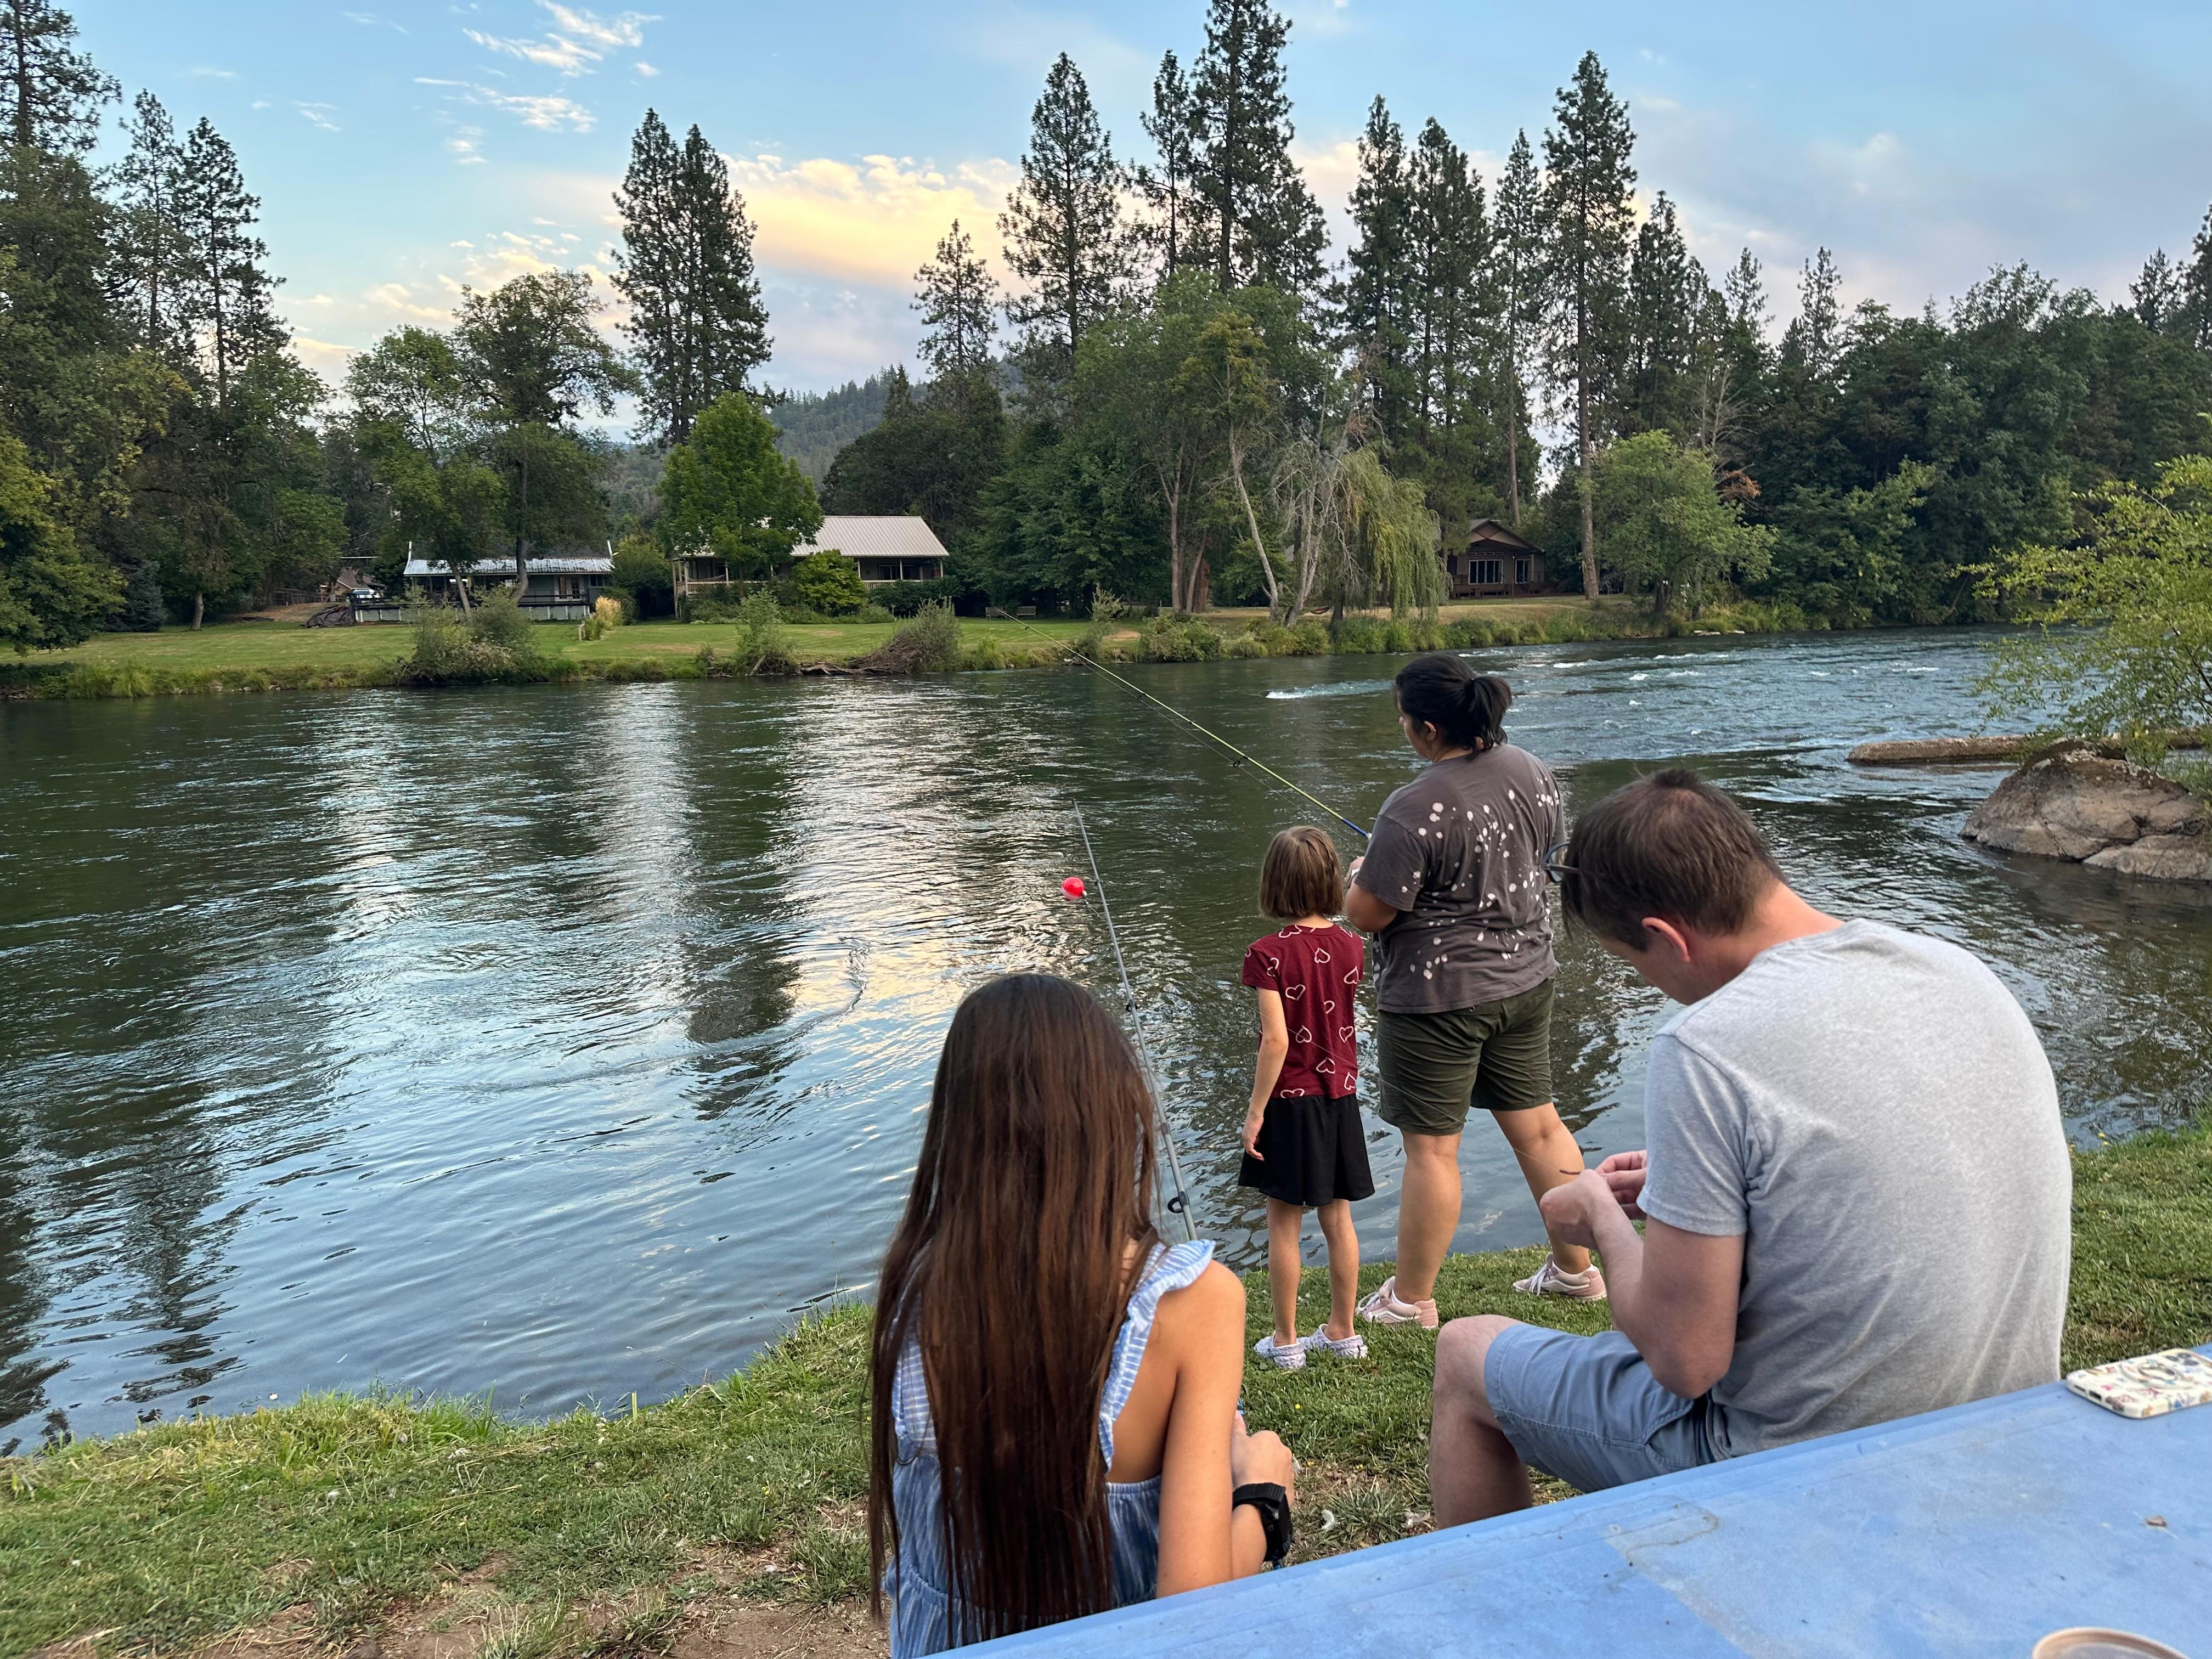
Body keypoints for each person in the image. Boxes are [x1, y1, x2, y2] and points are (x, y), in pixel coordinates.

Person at [1428, 769, 2073, 1526]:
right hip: (2007, 1419)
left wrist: (1600, 1218)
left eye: (1637, 967)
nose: (1651, 988)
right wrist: (1692, 1185)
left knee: (1467, 1356)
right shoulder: (1954, 967)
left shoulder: (1706, 1046)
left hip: (1802, 1465)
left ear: (1667, 938)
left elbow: (1686, 1360)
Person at [868, 974, 1298, 1655]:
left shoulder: (915, 1285)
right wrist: (1265, 1500)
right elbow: (1191, 1610)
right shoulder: (1200, 1300)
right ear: (1115, 1110)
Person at [1342, 654, 1596, 1331]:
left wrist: (1360, 876)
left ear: (1427, 727)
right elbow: (1536, 855)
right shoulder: (1533, 770)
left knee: (1432, 1151)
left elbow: (1368, 914)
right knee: (1540, 1124)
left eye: (1403, 717)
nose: (1401, 728)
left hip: (1438, 1000)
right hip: (1527, 978)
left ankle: (1409, 1300)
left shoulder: (1412, 805)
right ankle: (1577, 1272)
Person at [1239, 826, 1375, 1370]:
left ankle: (1287, 1340)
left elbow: (1277, 1040)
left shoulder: (1266, 954)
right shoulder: (1352, 946)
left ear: (1274, 883)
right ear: (1330, 882)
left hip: (1289, 1102)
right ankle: (1343, 1332)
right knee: (1338, 1218)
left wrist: (1255, 1113)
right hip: (1339, 1097)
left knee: (1283, 1223)